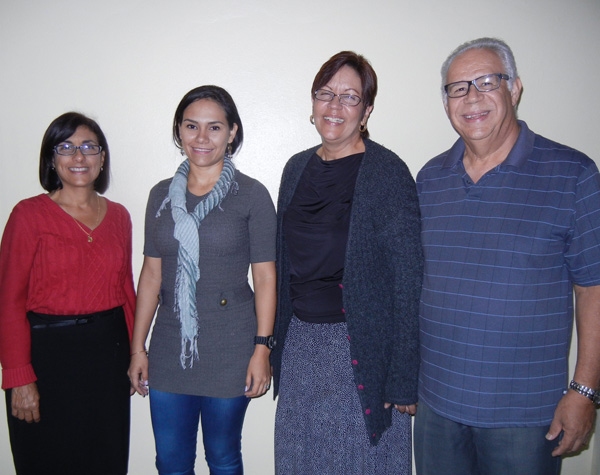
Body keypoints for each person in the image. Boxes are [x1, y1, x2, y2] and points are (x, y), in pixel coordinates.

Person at [414, 37, 600, 475]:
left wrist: (585, 390)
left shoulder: (573, 174)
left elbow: (593, 288)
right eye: (457, 88)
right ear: (446, 103)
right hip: (436, 407)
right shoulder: (428, 179)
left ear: (514, 88)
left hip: (526, 416)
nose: (471, 97)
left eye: (486, 82)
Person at [271, 51, 422, 474]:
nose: (334, 106)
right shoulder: (295, 168)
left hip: (362, 354)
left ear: (367, 110)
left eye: (350, 97)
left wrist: (403, 375)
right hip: (301, 347)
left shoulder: (388, 172)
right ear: (313, 102)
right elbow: (283, 268)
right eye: (326, 93)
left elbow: (408, 280)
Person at [127, 85, 276, 475]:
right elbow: (151, 275)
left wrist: (262, 348)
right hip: (169, 344)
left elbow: (264, 277)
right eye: (192, 126)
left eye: (214, 127)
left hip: (232, 345)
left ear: (232, 133)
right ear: (179, 131)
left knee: (223, 456)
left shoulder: (252, 195)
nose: (202, 138)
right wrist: (137, 348)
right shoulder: (160, 195)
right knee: (171, 462)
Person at [0, 112, 136, 474]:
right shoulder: (28, 215)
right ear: (52, 158)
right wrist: (19, 377)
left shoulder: (120, 216)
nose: (79, 157)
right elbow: (9, 301)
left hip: (108, 358)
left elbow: (125, 291)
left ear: (102, 158)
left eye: (90, 147)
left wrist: (136, 355)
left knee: (105, 462)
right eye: (67, 147)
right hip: (46, 361)